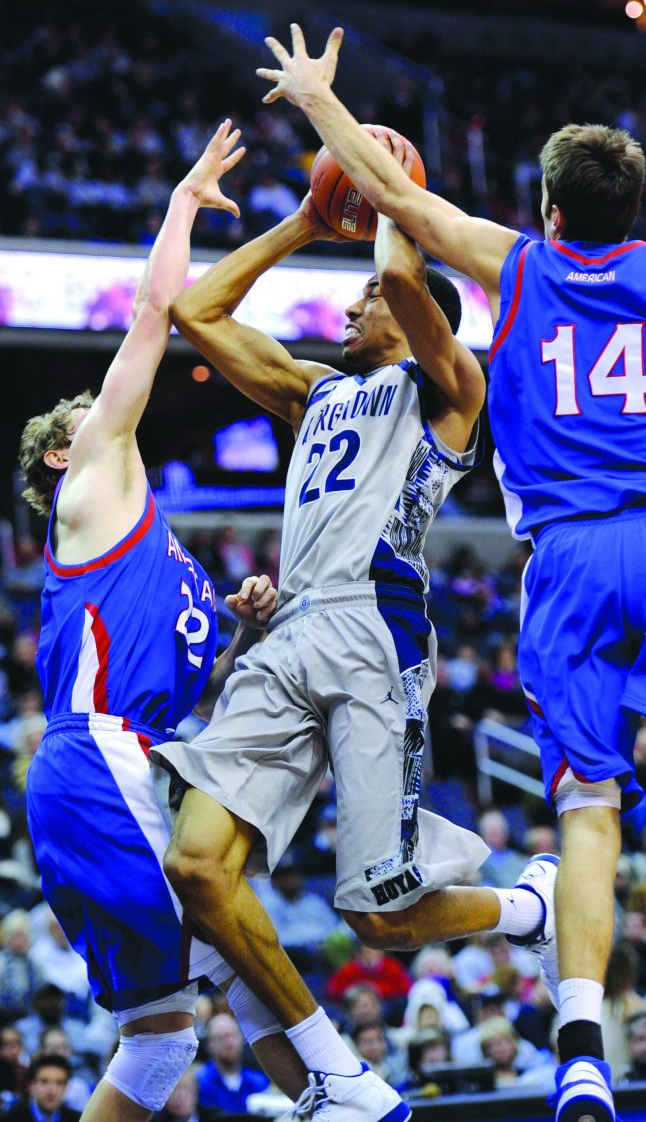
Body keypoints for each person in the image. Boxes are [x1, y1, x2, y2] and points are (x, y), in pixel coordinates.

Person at [257, 23, 646, 1122]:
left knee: (588, 808)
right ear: (631, 211)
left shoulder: (519, 263)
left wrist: (314, 100)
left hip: (572, 557)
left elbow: (404, 204)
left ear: (549, 209)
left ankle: (581, 1045)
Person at [150, 161, 560, 1116]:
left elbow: (412, 282)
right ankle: (334, 1074)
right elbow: (196, 315)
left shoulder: (452, 384)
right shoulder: (313, 392)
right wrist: (301, 220)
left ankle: (525, 908)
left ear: (413, 316)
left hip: (375, 633)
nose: (354, 301)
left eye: (366, 293)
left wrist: (386, 188)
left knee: (378, 921)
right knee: (195, 866)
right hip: (291, 628)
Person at [17, 122, 316, 1122]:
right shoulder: (93, 481)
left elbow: (191, 694)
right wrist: (184, 201)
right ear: (62, 458)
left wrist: (244, 633)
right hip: (101, 762)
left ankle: (335, 1096)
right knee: (235, 948)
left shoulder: (158, 553)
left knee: (161, 1034)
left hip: (113, 764)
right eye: (81, 418)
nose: (101, 411)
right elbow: (155, 312)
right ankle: (344, 1098)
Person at [0, 1053, 80, 1121]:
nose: (52, 1090)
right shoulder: (9, 1118)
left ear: (66, 1087)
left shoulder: (79, 1119)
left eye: (59, 1083)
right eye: (44, 1081)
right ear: (30, 1085)